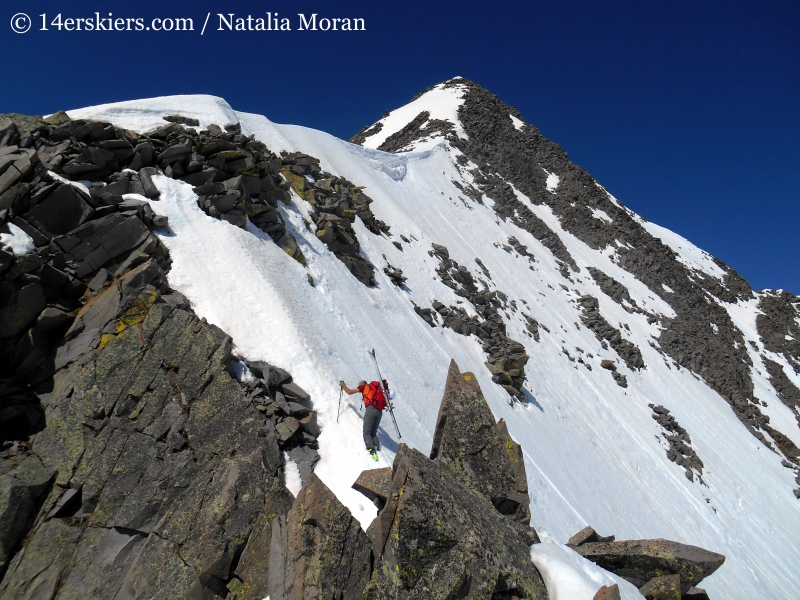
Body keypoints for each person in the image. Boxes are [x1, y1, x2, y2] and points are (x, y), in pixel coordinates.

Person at [340, 378, 387, 459]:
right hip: (379, 411)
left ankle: (372, 452)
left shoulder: (363, 387)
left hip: (370, 410)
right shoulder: (375, 389)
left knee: (366, 433)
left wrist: (343, 385)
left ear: (361, 384)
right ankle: (379, 450)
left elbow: (349, 392)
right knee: (373, 433)